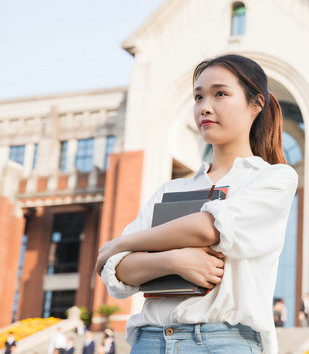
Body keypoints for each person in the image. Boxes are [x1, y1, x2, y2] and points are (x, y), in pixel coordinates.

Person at [95, 54, 298, 354]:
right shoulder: (171, 189)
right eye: (198, 96)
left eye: (220, 94)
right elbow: (116, 271)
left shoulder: (274, 178)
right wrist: (173, 261)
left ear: (256, 104)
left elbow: (209, 228)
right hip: (150, 340)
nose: (205, 106)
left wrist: (121, 243)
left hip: (222, 342)